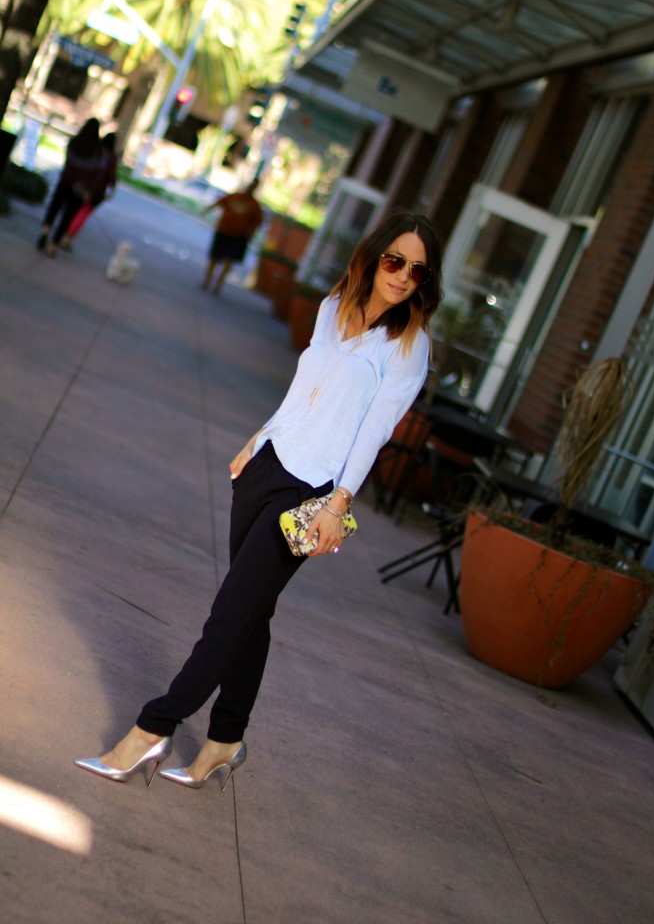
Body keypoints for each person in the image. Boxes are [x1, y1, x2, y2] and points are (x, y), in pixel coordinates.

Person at [75, 211, 443, 790]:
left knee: (229, 614)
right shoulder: (334, 306)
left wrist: (338, 503)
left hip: (313, 493)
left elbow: (375, 428)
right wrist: (260, 436)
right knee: (253, 614)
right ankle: (224, 742)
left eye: (418, 271)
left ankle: (152, 728)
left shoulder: (408, 345)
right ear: (373, 258)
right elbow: (306, 390)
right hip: (268, 465)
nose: (403, 276)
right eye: (395, 261)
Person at [35, 117, 106, 257]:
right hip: (81, 191)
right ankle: (53, 245)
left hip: (66, 183)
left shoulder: (74, 143)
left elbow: (69, 164)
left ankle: (46, 231)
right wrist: (88, 190)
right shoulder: (98, 152)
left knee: (54, 208)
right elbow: (98, 174)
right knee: (67, 217)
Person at [200, 178, 263, 295]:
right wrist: (205, 211)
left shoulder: (254, 206)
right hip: (223, 231)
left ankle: (218, 285)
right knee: (214, 257)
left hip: (238, 236)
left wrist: (249, 237)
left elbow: (256, 223)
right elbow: (218, 203)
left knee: (229, 260)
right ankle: (206, 281)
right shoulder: (234, 197)